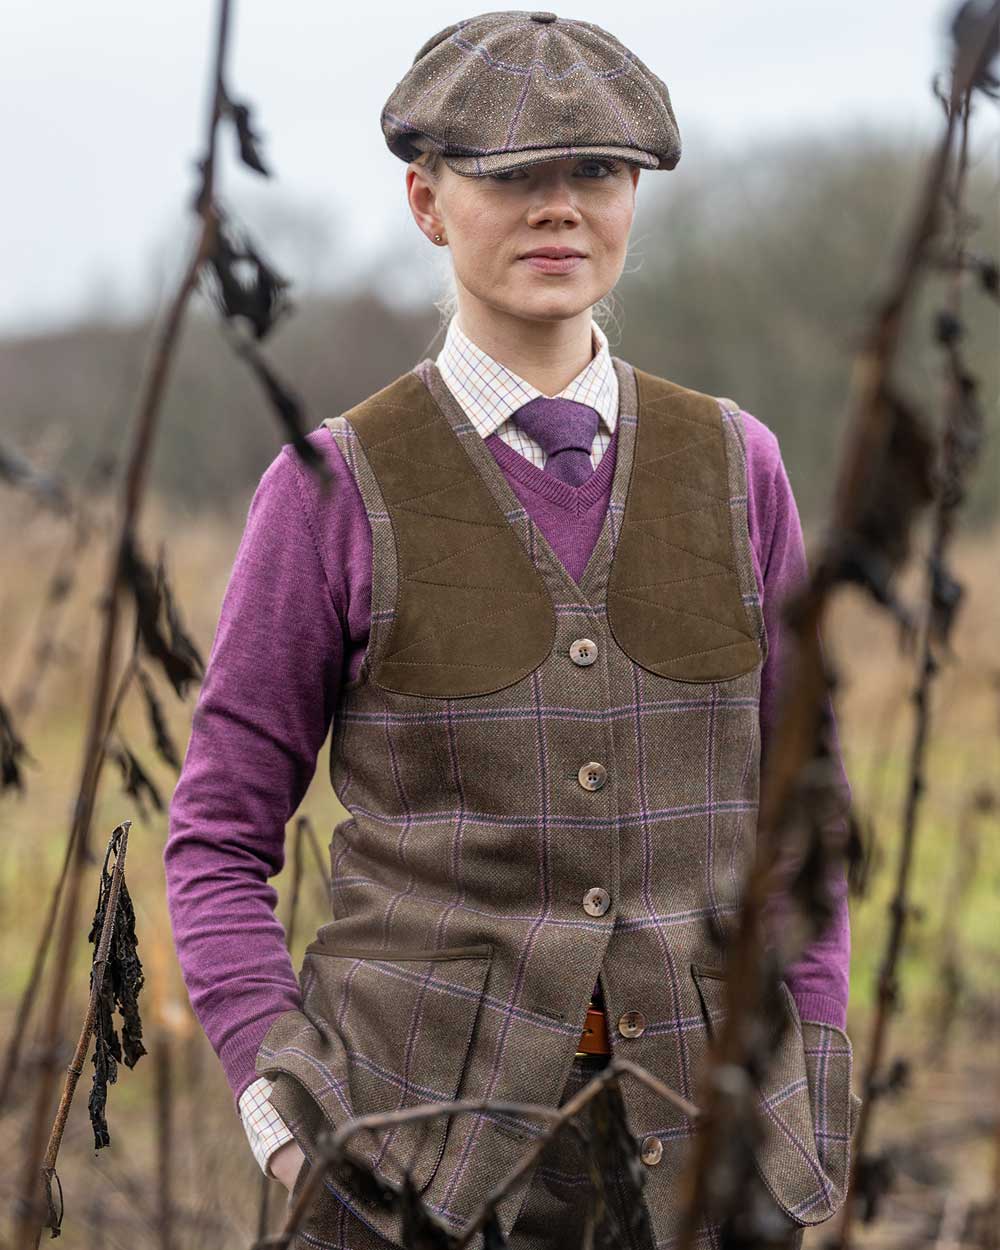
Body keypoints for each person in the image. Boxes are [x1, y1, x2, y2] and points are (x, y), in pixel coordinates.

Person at [165, 11, 860, 1248]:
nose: (558, 208)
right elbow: (218, 833)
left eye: (593, 171)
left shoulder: (738, 464)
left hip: (705, 1147)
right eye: (510, 175)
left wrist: (809, 1084)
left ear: (633, 194)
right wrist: (283, 1112)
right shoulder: (329, 486)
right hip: (402, 1157)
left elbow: (800, 818)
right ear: (430, 202)